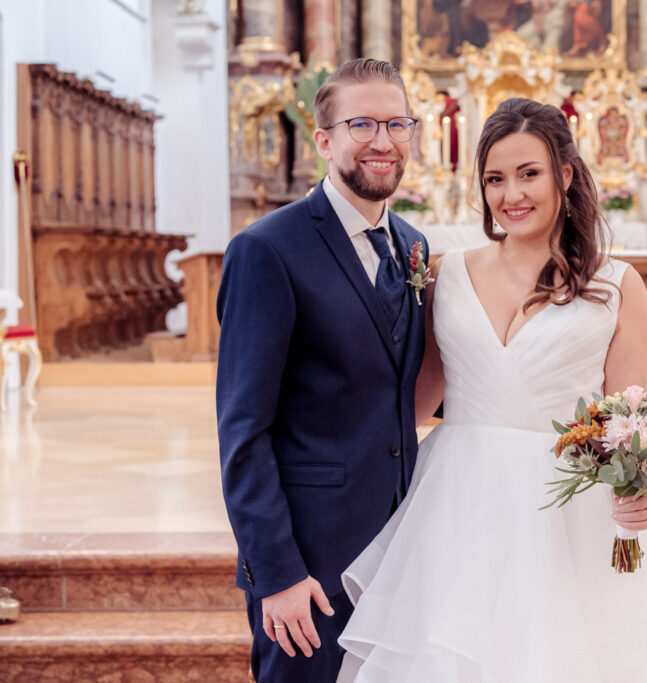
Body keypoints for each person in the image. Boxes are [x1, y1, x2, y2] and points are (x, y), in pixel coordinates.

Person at [336, 98, 647, 682]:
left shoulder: (616, 285)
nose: (512, 195)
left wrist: (640, 488)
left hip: (569, 510)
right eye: (495, 179)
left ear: (566, 175)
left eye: (529, 173)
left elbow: (631, 420)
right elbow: (417, 400)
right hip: (457, 505)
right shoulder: (445, 272)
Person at [216, 58, 428, 682]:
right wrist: (276, 573)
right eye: (362, 124)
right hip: (307, 562)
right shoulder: (267, 250)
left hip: (398, 550)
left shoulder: (411, 245)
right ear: (324, 139)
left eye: (397, 124)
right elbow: (243, 430)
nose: (383, 141)